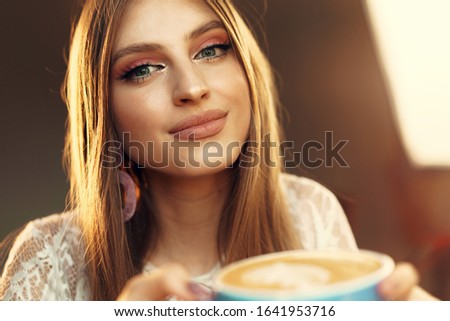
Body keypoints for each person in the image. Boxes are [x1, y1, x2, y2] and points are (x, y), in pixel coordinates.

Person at [0, 0, 437, 301]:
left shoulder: (311, 213)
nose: (192, 88)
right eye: (143, 69)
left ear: (245, 67)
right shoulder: (49, 257)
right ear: (104, 111)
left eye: (211, 49)